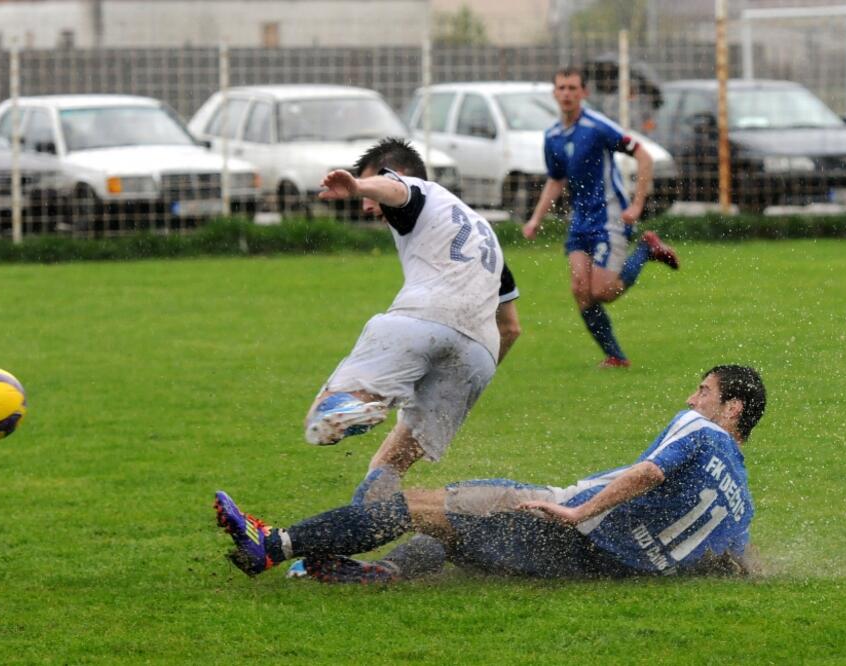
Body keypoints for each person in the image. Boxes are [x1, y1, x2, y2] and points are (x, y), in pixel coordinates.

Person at [215, 365, 767, 582]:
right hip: (596, 572)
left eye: (703, 390)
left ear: (732, 408)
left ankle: (274, 545)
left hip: (566, 526)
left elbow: (646, 473)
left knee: (415, 506)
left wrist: (576, 511)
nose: (691, 398)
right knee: (455, 535)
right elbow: (730, 562)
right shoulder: (741, 501)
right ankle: (383, 573)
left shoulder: (702, 429)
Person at [303, 138, 519, 508]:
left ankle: (352, 407)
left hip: (423, 317)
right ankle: (363, 536)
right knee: (387, 467)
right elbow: (511, 328)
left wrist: (358, 185)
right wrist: (465, 377)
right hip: (480, 355)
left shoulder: (416, 189)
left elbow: (395, 189)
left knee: (320, 419)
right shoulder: (483, 233)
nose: (366, 205)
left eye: (369, 191)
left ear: (395, 174)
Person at [523, 67, 679, 368]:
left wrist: (637, 204)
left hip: (610, 215)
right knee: (580, 289)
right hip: (580, 220)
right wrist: (535, 220)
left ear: (584, 93)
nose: (567, 94)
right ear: (554, 93)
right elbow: (556, 180)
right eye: (561, 88)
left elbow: (643, 155)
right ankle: (616, 357)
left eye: (572, 88)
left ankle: (646, 249)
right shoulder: (552, 136)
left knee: (602, 291)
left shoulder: (597, 127)